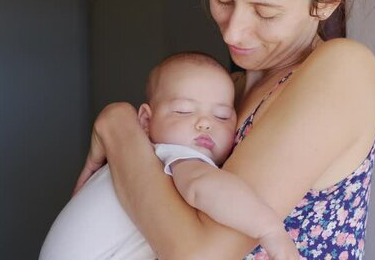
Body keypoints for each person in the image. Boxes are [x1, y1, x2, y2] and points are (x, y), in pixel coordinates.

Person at [74, 0, 375, 258]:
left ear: (325, 4)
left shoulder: (343, 69)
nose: (233, 32)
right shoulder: (225, 94)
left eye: (265, 12)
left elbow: (200, 254)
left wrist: (118, 126)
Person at [40, 52, 299, 260]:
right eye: (184, 111)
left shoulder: (134, 160)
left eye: (221, 116)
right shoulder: (171, 154)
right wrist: (270, 230)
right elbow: (204, 186)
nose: (204, 124)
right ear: (145, 120)